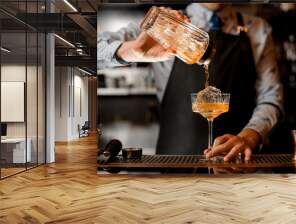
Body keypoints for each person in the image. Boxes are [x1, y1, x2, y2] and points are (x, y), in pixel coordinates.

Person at [97, 3, 283, 162]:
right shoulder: (164, 24)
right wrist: (132, 50)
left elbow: (271, 97)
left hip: (235, 165)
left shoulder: (258, 29)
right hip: (173, 163)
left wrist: (250, 136)